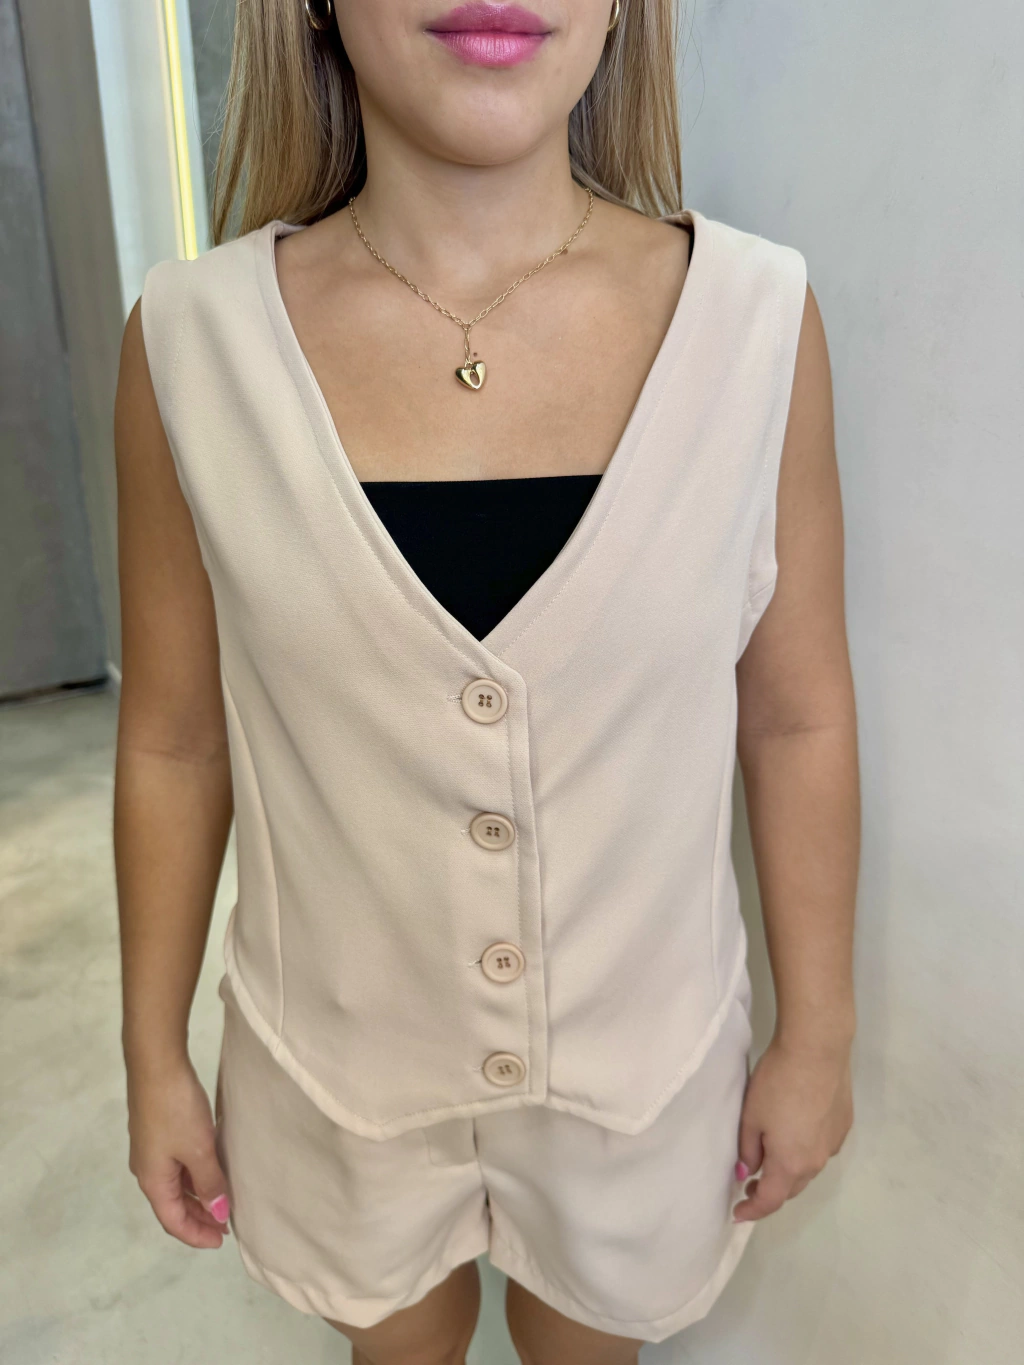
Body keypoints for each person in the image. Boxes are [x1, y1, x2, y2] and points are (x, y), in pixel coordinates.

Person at [113, 2, 859, 1361]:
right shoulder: (190, 342)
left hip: (648, 1067)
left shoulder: (754, 322)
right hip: (332, 1067)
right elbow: (175, 739)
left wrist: (819, 1034)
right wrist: (150, 1050)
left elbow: (796, 715)